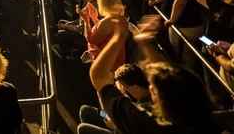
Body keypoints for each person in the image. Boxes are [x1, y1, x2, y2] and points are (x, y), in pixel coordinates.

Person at [89, 13, 223, 134]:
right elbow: (173, 78)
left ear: (161, 104)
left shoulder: (147, 124)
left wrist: (118, 36)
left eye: (153, 90)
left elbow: (99, 77)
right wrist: (145, 44)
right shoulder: (211, 119)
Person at [77, 64, 152, 134]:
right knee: (88, 111)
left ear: (136, 88)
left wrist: (115, 126)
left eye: (125, 87)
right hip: (121, 120)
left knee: (83, 128)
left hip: (119, 129)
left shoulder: (146, 110)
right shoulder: (144, 95)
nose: (124, 89)